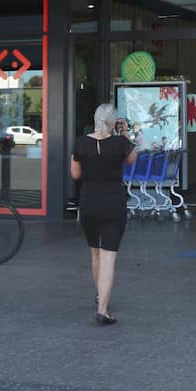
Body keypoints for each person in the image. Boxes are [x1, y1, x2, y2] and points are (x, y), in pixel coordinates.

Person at [71, 102, 137, 325]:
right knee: (109, 257)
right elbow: (132, 159)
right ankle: (103, 310)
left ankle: (101, 293)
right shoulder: (120, 143)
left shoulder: (81, 143)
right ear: (113, 122)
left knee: (95, 254)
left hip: (89, 202)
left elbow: (75, 174)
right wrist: (124, 133)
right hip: (113, 203)